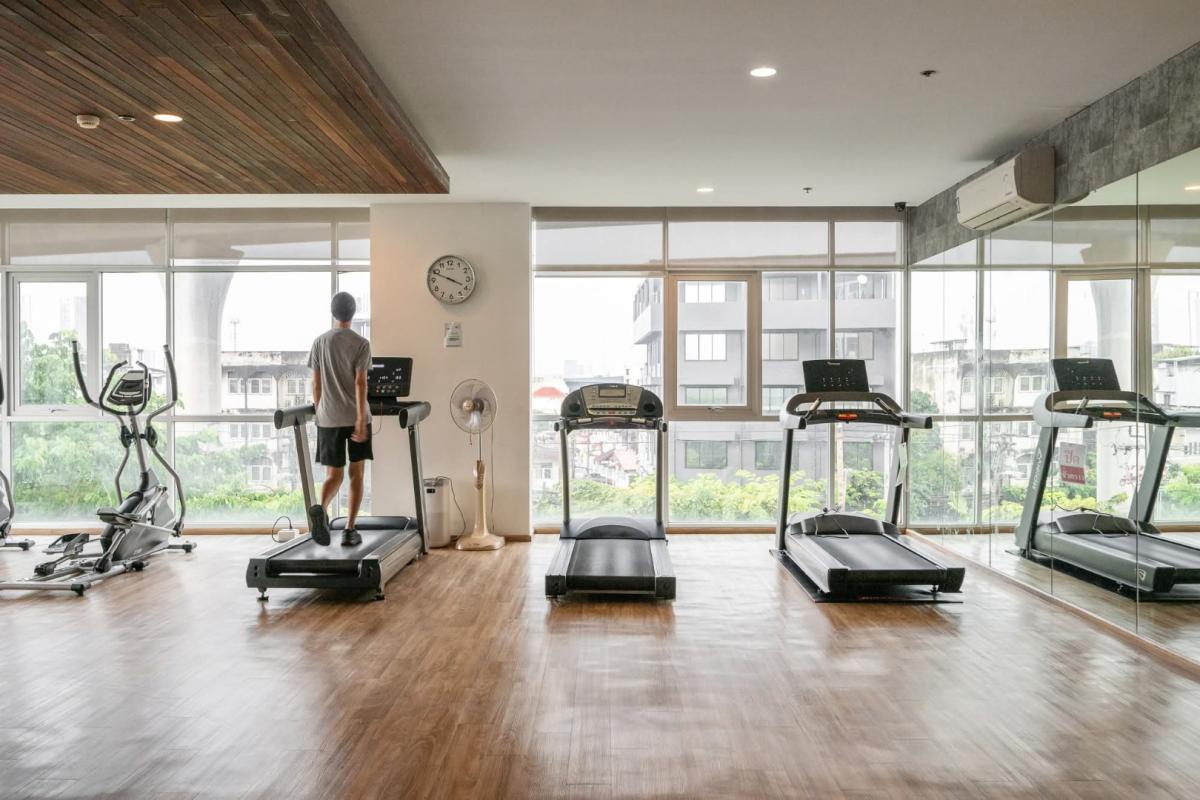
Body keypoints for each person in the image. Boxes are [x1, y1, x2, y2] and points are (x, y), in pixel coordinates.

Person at [307, 292, 371, 546]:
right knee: (357, 474)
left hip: (329, 418)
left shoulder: (319, 342)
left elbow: (316, 384)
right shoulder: (361, 343)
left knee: (334, 475)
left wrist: (320, 410)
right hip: (355, 417)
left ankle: (321, 510)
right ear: (353, 313)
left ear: (333, 313)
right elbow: (360, 382)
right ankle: (349, 530)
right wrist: (360, 420)